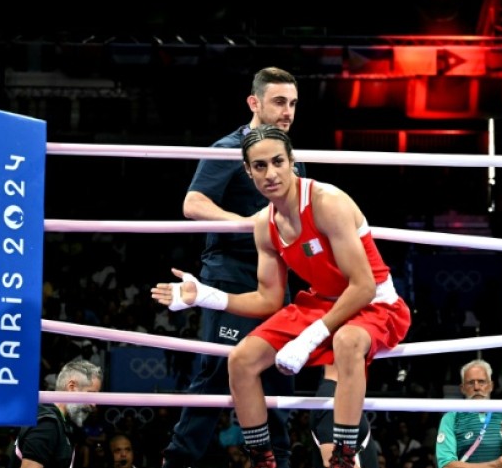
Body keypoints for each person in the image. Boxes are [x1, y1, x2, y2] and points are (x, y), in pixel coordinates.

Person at [152, 124, 412, 468]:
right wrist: (205, 296)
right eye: (260, 166)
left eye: (278, 162)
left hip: (373, 302)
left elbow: (362, 286)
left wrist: (310, 337)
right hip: (321, 303)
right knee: (241, 361)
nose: (271, 173)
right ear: (248, 171)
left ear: (292, 162)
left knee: (347, 341)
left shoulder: (327, 203)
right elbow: (269, 300)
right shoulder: (265, 223)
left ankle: (343, 457)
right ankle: (263, 460)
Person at [160, 66, 301, 468]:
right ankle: (179, 460)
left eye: (292, 103)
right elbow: (194, 204)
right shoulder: (231, 148)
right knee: (217, 369)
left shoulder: (290, 161)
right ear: (254, 103)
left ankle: (277, 461)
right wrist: (251, 226)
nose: (287, 111)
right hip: (231, 274)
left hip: (277, 279)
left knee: (277, 371)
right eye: (279, 101)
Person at [10, 358, 103, 468]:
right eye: (91, 395)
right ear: (72, 387)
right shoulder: (47, 425)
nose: (94, 404)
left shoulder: (63, 423)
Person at [435, 359, 502, 468]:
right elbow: (446, 465)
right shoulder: (451, 418)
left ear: (491, 386)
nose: (477, 387)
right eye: (470, 383)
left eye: (481, 382)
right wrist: (493, 465)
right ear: (462, 388)